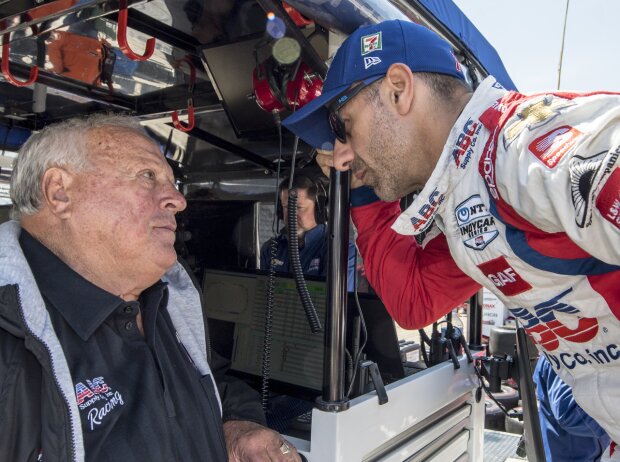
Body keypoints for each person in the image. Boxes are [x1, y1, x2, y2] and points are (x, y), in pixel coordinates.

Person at [281, 18, 620, 455]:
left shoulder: (523, 148)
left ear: (398, 90)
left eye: (344, 124)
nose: (341, 151)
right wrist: (363, 185)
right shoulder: (465, 192)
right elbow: (413, 299)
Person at [0, 114, 300, 462]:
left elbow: (209, 384)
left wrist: (236, 427)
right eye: (148, 176)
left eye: (172, 182)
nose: (178, 199)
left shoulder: (164, 301)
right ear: (60, 192)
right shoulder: (11, 347)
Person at [261, 174, 357, 291]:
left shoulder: (339, 250)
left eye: (299, 207)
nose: (291, 214)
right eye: (286, 207)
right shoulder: (271, 249)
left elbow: (336, 302)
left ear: (320, 210)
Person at [534, 355, 610, 461]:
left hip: (595, 452)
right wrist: (613, 423)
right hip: (571, 456)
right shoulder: (562, 353)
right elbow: (569, 413)